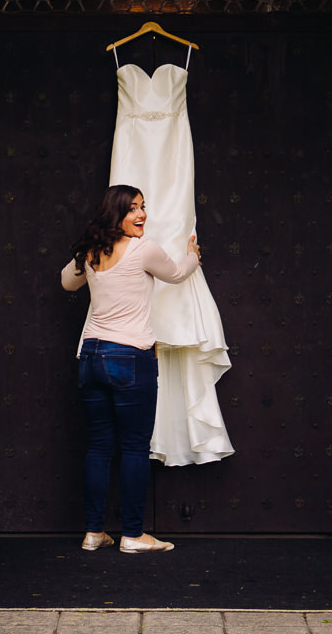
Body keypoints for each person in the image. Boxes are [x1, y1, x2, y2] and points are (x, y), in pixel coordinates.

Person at [60, 183, 200, 552]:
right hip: (130, 357)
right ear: (115, 214)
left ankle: (94, 532)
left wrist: (84, 256)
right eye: (132, 209)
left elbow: (66, 283)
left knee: (100, 447)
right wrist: (192, 255)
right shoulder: (143, 249)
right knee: (135, 448)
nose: (142, 215)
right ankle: (134, 535)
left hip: (90, 356)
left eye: (143, 207)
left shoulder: (90, 252)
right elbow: (176, 273)